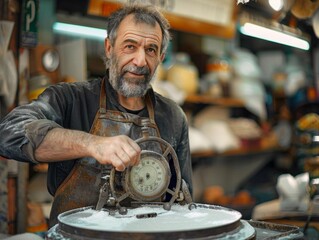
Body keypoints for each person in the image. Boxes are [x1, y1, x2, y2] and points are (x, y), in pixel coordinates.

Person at [0, 3, 193, 227]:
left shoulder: (173, 117)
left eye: (150, 49)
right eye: (130, 46)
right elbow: (8, 134)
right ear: (109, 48)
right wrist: (92, 144)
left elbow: (182, 206)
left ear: (160, 57)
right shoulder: (69, 99)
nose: (140, 61)